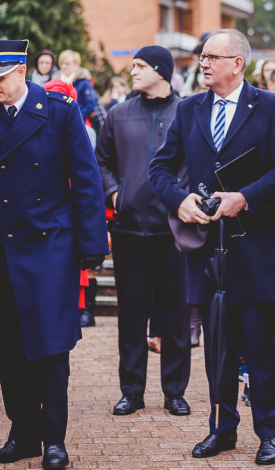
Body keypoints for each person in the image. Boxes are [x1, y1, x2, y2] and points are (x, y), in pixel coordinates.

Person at [0, 39, 108, 466]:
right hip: (3, 249)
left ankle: (55, 439)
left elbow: (86, 180)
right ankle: (24, 433)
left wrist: (93, 244)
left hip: (51, 245)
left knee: (51, 347)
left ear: (21, 71)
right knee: (10, 347)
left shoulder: (59, 112)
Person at [148, 29, 275, 466]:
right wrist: (180, 199)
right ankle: (221, 428)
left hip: (256, 246)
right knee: (217, 349)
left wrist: (244, 196)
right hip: (206, 249)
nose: (203, 63)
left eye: (213, 57)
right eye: (201, 57)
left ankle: (270, 434)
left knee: (261, 347)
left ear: (238, 63)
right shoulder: (190, 108)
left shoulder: (270, 106)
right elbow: (159, 167)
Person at [95, 46, 191, 418]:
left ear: (161, 71)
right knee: (131, 316)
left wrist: (186, 199)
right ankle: (131, 391)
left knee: (176, 317)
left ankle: (175, 392)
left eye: (140, 66)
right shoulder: (119, 114)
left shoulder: (187, 112)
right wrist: (115, 193)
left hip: (174, 231)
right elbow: (100, 161)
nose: (132, 71)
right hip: (129, 230)